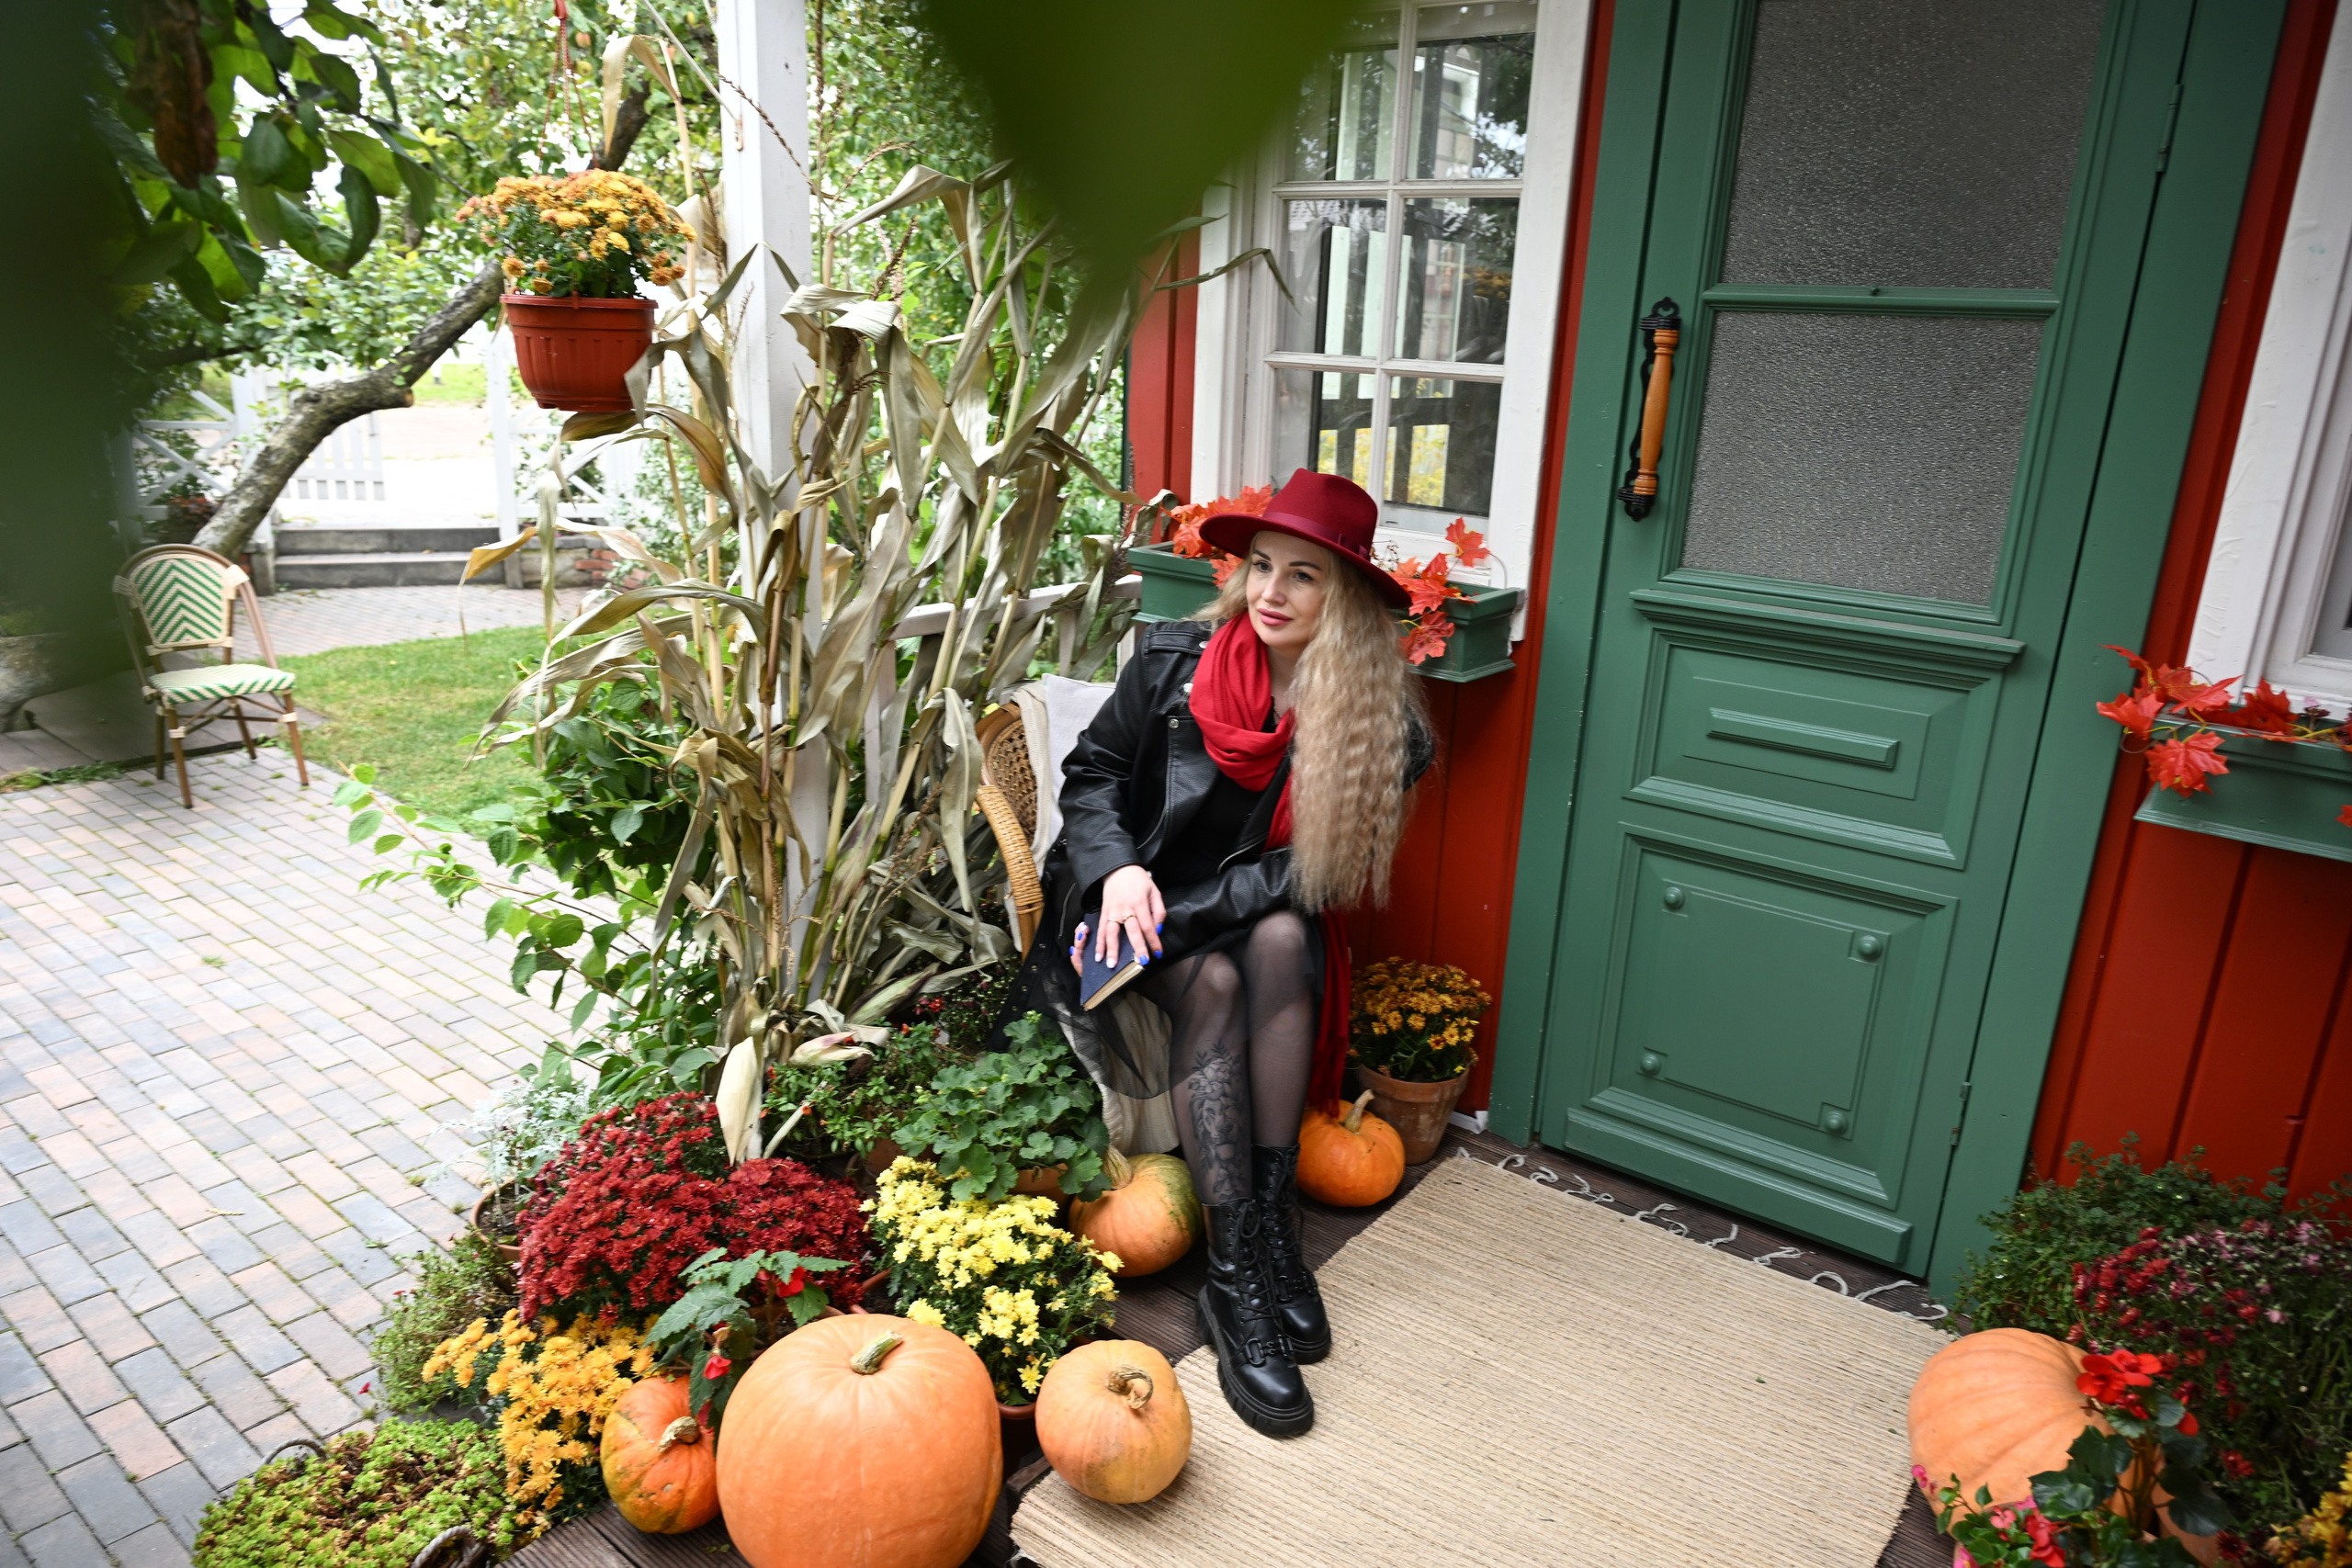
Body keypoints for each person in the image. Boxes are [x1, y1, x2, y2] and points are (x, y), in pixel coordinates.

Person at [1003, 468, 1431, 1437]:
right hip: (1121, 914)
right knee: (1228, 975)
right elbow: (1092, 774)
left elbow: (1301, 879)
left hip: (1221, 915)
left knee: (1275, 937)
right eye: (1263, 566)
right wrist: (1119, 872)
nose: (1271, 592)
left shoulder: (1382, 728)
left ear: (1346, 600)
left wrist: (1179, 913)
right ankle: (1237, 1279)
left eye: (1304, 576)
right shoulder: (1171, 663)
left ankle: (1264, 1238)